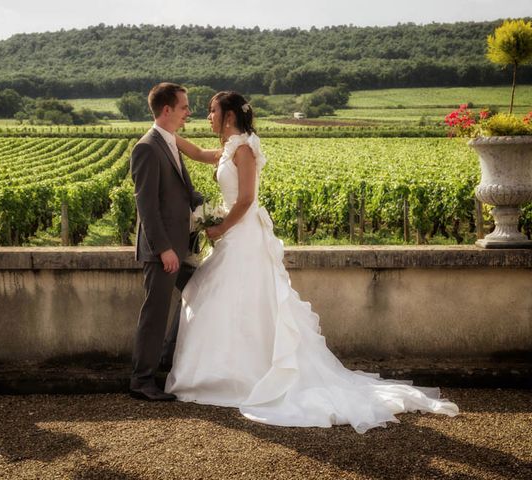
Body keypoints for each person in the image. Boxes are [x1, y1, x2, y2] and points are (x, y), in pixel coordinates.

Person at [165, 91, 459, 432]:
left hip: (242, 235)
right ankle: (222, 374)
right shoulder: (231, 147)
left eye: (213, 111)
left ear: (229, 115)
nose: (208, 117)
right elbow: (201, 153)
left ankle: (242, 376)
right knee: (225, 300)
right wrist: (167, 134)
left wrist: (220, 227)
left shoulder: (244, 149)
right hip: (234, 236)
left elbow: (245, 199)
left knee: (242, 301)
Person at [129, 82, 203, 401]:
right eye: (184, 106)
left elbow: (183, 192)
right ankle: (142, 381)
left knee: (202, 289)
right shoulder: (147, 147)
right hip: (164, 250)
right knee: (155, 312)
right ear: (167, 109)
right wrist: (164, 249)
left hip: (179, 245)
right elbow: (146, 205)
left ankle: (167, 357)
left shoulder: (169, 142)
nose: (189, 111)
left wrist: (208, 210)